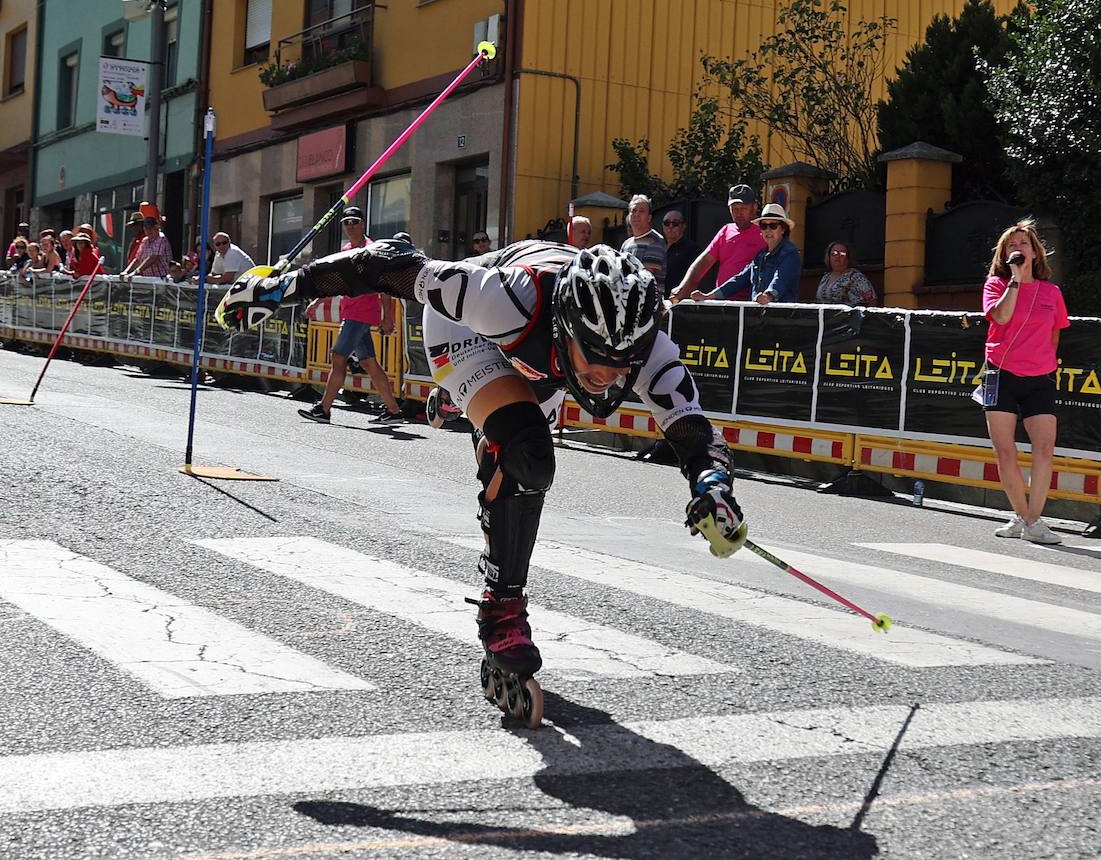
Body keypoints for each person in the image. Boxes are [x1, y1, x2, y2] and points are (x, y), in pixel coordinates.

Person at [220, 239, 748, 727]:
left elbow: (691, 429)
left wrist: (713, 486)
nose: (609, 377)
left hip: (539, 363)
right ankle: (502, 610)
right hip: (467, 335)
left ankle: (465, 411)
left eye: (622, 364)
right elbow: (382, 266)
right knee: (527, 458)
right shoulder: (503, 299)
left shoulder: (646, 340)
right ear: (567, 326)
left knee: (522, 450)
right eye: (597, 359)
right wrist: (277, 288)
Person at [980, 219, 1070, 545]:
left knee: (1044, 449)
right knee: (1005, 452)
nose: (1018, 249)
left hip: (1039, 377)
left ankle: (1031, 519)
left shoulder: (1052, 292)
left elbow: (1055, 332)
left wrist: (1044, 363)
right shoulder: (995, 285)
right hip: (1001, 373)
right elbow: (1001, 317)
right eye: (1011, 245)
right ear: (1004, 255)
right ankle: (1027, 518)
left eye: (1024, 244)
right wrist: (1014, 283)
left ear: (1035, 252)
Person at [298, 206, 406, 426]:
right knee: (369, 364)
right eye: (346, 222)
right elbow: (337, 282)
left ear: (363, 224)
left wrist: (388, 317)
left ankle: (324, 409)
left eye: (354, 221)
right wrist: (319, 300)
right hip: (352, 313)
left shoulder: (373, 249)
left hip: (362, 314)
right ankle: (394, 411)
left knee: (339, 357)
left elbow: (383, 286)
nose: (350, 226)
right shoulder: (346, 248)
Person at [689, 203, 801, 305]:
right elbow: (740, 279)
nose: (768, 230)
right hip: (756, 316)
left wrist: (768, 296)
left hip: (782, 318)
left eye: (773, 226)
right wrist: (709, 296)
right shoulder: (760, 256)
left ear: (783, 229)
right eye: (763, 226)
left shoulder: (790, 253)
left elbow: (782, 279)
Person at [670, 184, 766, 302]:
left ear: (754, 207)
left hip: (749, 303)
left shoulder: (765, 232)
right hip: (720, 300)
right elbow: (703, 262)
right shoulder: (726, 230)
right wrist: (683, 287)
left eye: (743, 208)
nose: (738, 213)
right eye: (734, 209)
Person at [620, 194, 668, 290]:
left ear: (649, 218)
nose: (636, 214)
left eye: (641, 211)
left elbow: (646, 276)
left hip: (650, 301)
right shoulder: (626, 243)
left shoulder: (655, 241)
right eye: (633, 211)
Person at [814, 241, 877, 306]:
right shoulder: (826, 277)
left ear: (848, 258)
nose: (837, 256)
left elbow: (871, 301)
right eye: (834, 253)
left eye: (842, 254)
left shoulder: (855, 277)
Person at [120, 204, 173, 279]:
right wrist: (126, 271)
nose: (148, 231)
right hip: (147, 278)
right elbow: (137, 259)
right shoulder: (144, 240)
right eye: (146, 229)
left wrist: (136, 272)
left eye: (150, 228)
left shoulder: (161, 238)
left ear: (156, 228)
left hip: (162, 279)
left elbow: (153, 257)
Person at [662, 210, 706, 296]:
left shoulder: (692, 249)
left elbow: (696, 279)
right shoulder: (658, 246)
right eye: (667, 223)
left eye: (675, 223)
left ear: (683, 226)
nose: (670, 226)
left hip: (679, 301)